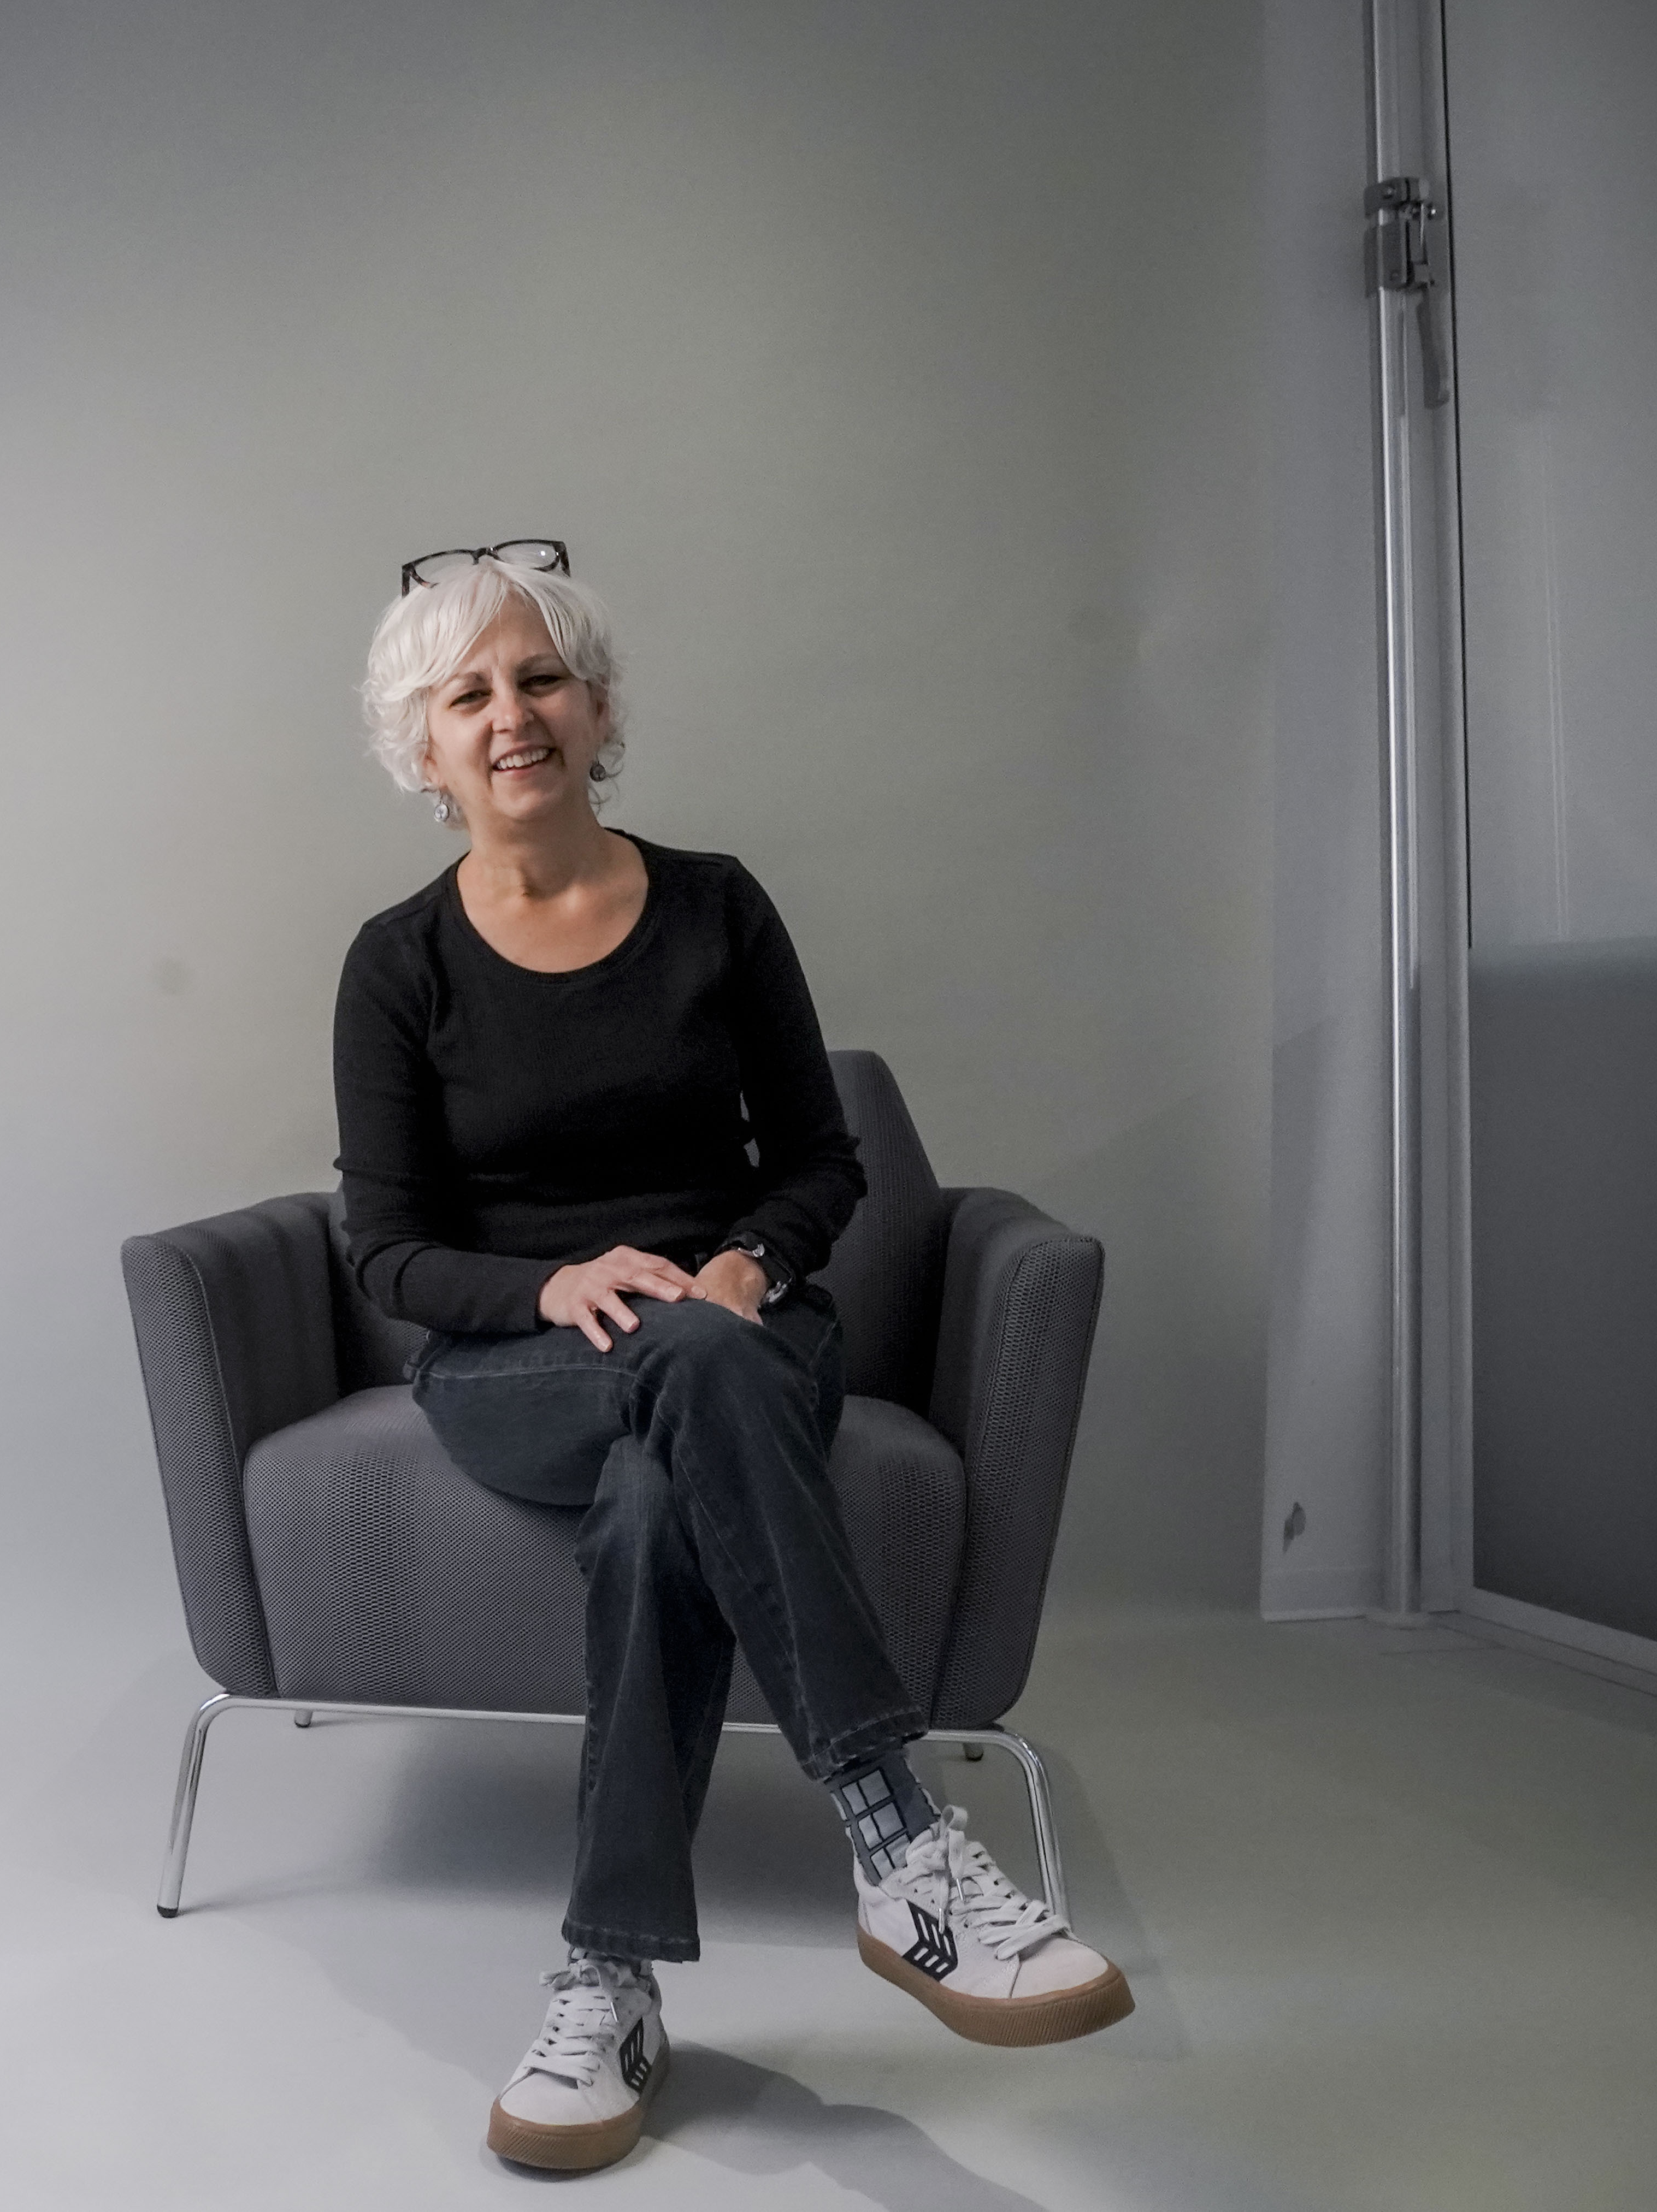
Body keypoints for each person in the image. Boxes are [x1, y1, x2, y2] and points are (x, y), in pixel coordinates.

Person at [332, 546, 1129, 2175]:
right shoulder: (395, 965)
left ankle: (608, 1980)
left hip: (746, 1341)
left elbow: (825, 1161)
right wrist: (556, 1285)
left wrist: (750, 1261)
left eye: (540, 678)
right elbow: (389, 1252)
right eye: (465, 694)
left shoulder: (717, 905)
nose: (510, 716)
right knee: (653, 1402)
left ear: (600, 705)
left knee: (654, 1499)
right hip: (520, 1364)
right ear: (422, 747)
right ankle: (899, 1844)